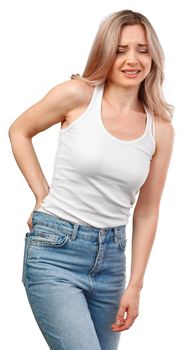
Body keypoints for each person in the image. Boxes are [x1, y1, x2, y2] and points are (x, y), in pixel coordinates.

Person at [8, 9, 174, 350]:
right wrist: (41, 195)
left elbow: (146, 211)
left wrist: (135, 285)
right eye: (120, 49)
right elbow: (19, 131)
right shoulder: (77, 95)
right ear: (105, 53)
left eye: (142, 49)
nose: (132, 59)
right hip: (55, 251)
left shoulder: (160, 130)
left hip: (112, 263)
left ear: (153, 56)